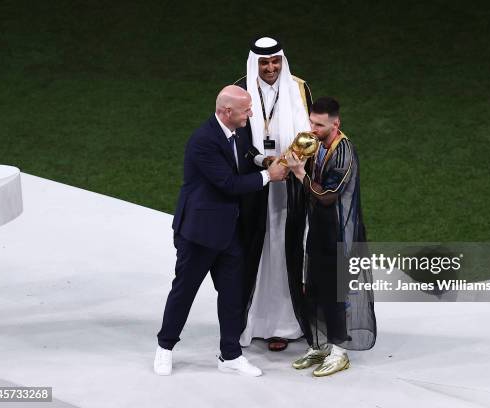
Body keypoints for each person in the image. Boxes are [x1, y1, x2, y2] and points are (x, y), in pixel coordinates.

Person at [154, 85, 288, 377]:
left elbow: (244, 153)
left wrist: (261, 160)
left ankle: (230, 355)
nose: (250, 114)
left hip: (228, 233)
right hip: (199, 234)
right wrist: (270, 175)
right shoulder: (203, 141)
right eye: (246, 110)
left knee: (233, 295)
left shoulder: (234, 131)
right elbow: (228, 183)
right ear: (227, 112)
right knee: (184, 291)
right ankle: (165, 347)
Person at [285, 96, 376, 377]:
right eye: (311, 122)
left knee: (336, 293)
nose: (313, 128)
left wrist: (300, 173)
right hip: (318, 230)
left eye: (320, 124)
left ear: (336, 124)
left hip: (339, 233)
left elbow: (327, 196)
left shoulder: (344, 152)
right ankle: (319, 345)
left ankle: (340, 351)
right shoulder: (318, 146)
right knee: (312, 289)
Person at [234, 36, 313, 352]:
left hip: (290, 184)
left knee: (285, 249)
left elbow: (310, 132)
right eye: (265, 63)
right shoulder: (240, 90)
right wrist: (264, 161)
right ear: (256, 62)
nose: (270, 68)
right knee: (253, 249)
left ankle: (285, 325)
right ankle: (250, 321)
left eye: (275, 61)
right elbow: (234, 136)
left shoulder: (299, 88)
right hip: (254, 183)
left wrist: (293, 160)